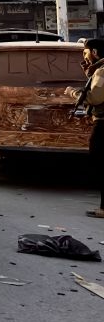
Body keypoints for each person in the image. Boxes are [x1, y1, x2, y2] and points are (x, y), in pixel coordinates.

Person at [69, 38, 104, 219]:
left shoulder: (102, 71)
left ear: (95, 52)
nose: (84, 56)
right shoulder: (98, 70)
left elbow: (95, 97)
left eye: (85, 52)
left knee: (100, 162)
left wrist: (73, 93)